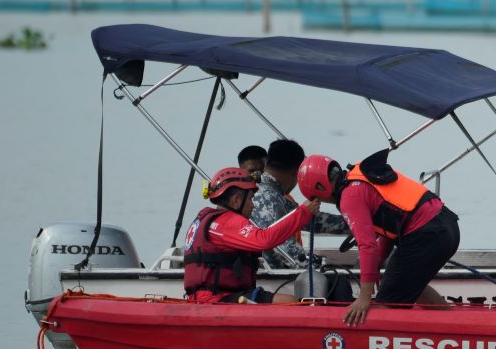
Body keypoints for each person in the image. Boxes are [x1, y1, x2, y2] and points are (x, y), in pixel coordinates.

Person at [299, 151, 458, 327]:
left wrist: (364, 297)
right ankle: (456, 325)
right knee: (410, 285)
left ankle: (451, 329)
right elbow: (390, 222)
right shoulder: (361, 175)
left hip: (427, 235)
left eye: (315, 197)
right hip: (447, 225)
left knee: (386, 304)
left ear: (320, 188)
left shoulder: (349, 197)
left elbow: (367, 246)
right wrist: (378, 263)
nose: (320, 202)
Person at [182, 167, 319, 303]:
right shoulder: (226, 223)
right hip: (218, 298)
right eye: (250, 199)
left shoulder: (208, 221)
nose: (253, 206)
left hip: (211, 297)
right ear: (236, 201)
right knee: (292, 302)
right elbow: (264, 240)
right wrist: (304, 213)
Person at [249, 139, 350, 271]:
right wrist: (318, 267)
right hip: (267, 276)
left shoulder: (271, 192)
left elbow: (312, 220)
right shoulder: (264, 197)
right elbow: (283, 247)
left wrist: (355, 223)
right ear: (296, 172)